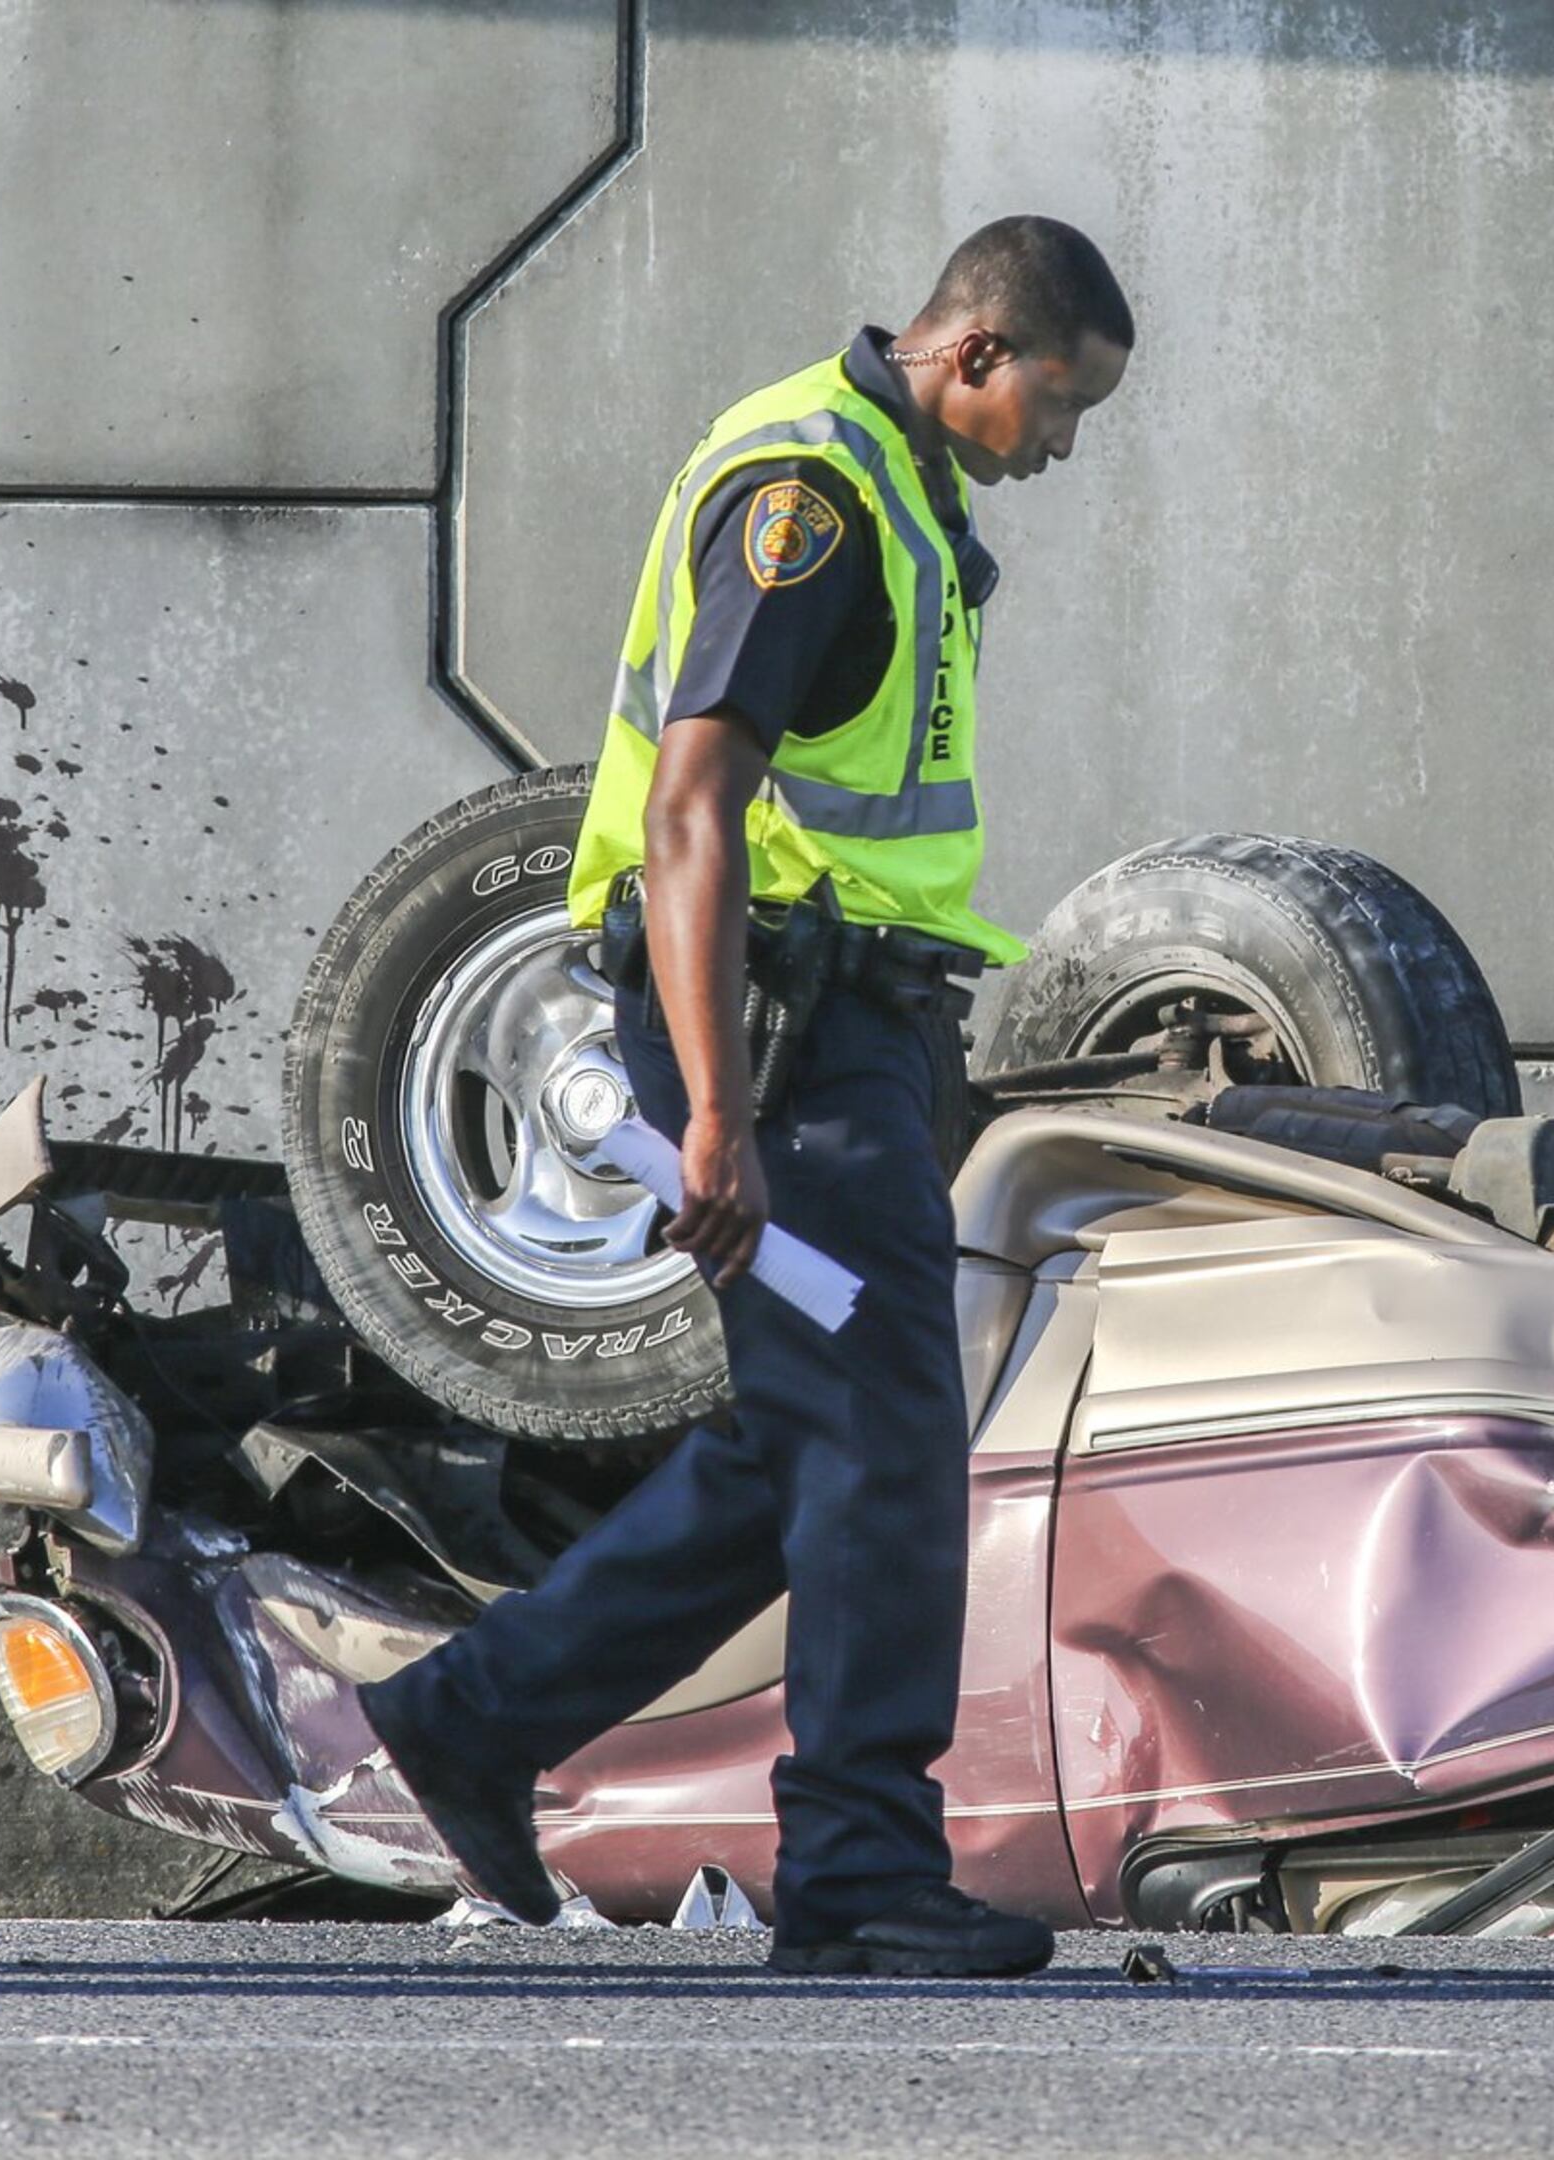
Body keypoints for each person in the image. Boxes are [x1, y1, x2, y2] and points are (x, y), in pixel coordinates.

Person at [361, 216, 1134, 1977]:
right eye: (1064, 404)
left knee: (799, 1445)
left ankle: (480, 1716)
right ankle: (860, 1870)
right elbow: (698, 805)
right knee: (883, 1446)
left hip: (837, 1027)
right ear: (977, 359)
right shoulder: (815, 493)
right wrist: (713, 1110)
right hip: (770, 1031)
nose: (1067, 445)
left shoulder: (899, 487)